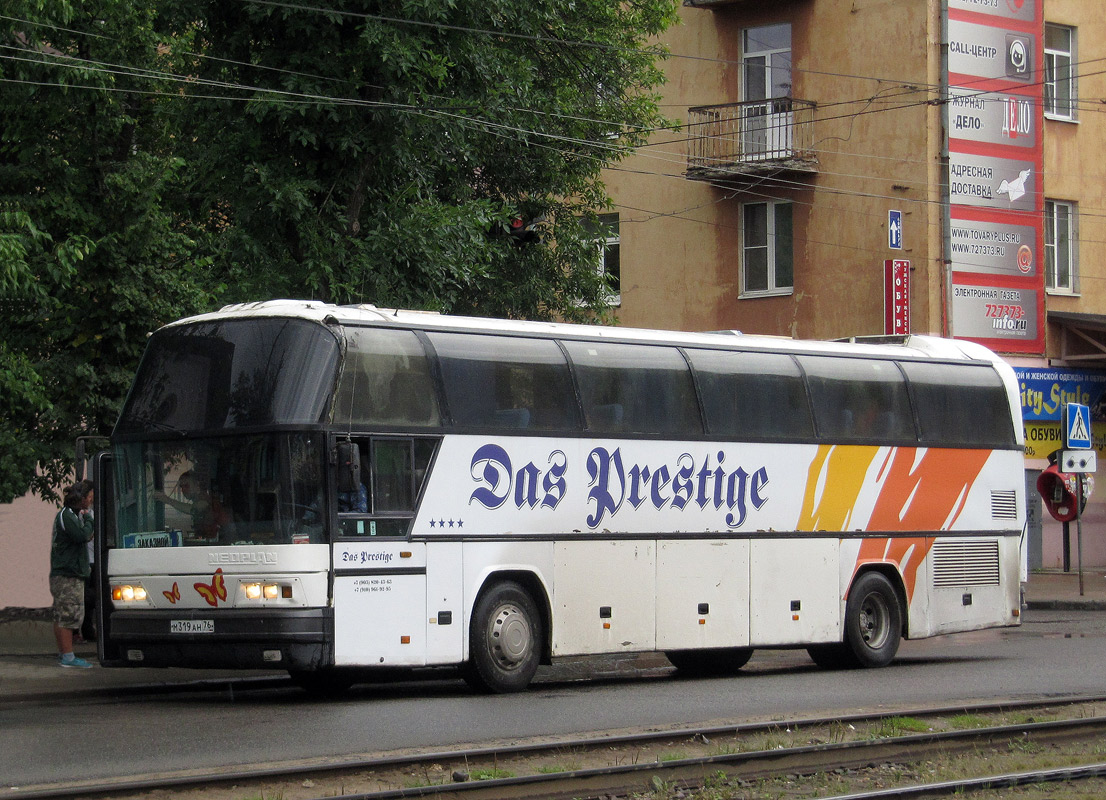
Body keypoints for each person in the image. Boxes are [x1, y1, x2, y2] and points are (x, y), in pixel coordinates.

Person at [50, 479, 95, 669]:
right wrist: (90, 521)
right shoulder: (67, 515)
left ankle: (66, 654)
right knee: (67, 615)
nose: (92, 500)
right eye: (90, 497)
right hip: (67, 574)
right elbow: (82, 536)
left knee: (67, 614)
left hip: (71, 572)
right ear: (82, 498)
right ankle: (67, 656)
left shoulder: (73, 515)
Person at [154, 471, 228, 539]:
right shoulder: (200, 499)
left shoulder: (205, 499)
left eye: (186, 486)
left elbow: (194, 509)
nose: (183, 490)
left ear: (197, 485)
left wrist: (168, 500)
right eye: (181, 487)